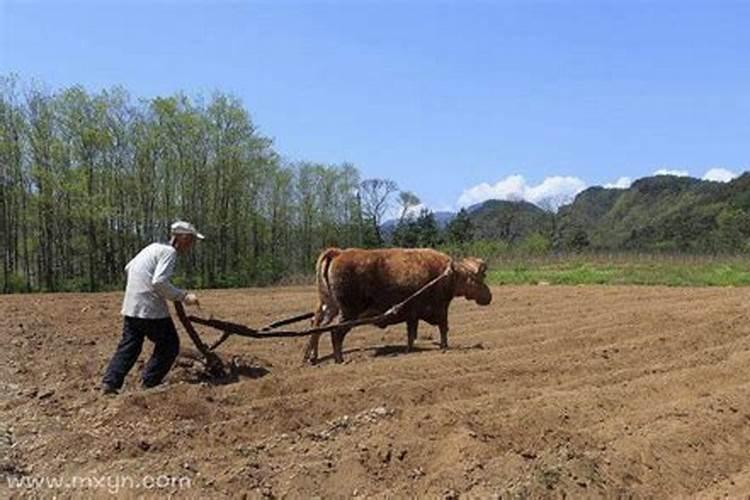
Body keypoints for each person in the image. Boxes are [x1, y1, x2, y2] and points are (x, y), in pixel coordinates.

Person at [101, 221, 204, 394]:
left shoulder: (152, 247)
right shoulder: (169, 252)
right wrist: (183, 296)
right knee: (170, 344)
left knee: (130, 345)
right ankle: (150, 382)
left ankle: (110, 383)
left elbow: (129, 268)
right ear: (183, 237)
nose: (192, 245)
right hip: (149, 308)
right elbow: (159, 282)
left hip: (131, 305)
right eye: (192, 240)